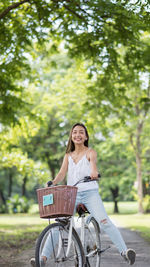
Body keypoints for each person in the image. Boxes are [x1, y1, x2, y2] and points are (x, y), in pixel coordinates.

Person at [30, 122, 136, 266]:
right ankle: (42, 259)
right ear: (71, 136)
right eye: (75, 132)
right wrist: (53, 182)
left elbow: (93, 166)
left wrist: (93, 173)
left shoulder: (90, 152)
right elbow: (62, 173)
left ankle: (124, 251)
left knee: (104, 221)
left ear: (85, 137)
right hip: (71, 194)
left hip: (90, 193)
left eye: (81, 132)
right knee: (60, 222)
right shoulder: (68, 155)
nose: (77, 135)